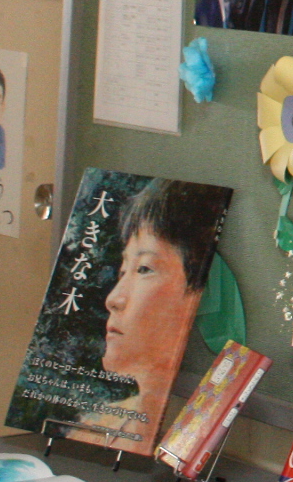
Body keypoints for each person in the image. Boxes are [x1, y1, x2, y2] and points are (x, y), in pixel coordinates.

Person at [70, 179, 225, 451]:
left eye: (143, 269)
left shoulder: (191, 434)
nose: (113, 299)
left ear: (199, 291)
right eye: (123, 271)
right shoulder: (92, 427)